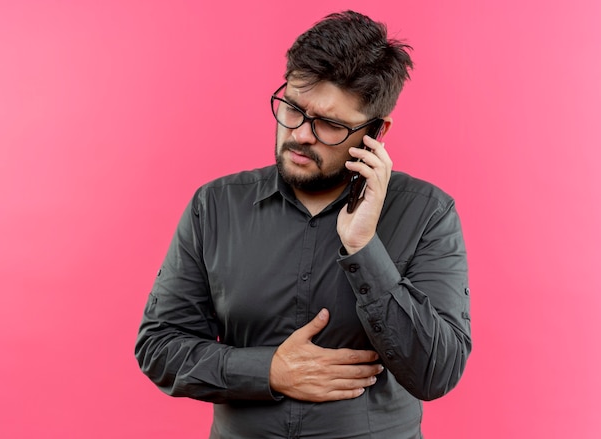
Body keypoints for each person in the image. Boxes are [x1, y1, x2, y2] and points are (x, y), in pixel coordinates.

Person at [135, 10, 471, 439]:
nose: (301, 135)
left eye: (329, 124)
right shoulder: (215, 205)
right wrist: (269, 370)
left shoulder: (428, 213)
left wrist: (364, 247)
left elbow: (436, 373)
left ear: (377, 131)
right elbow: (159, 347)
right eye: (293, 108)